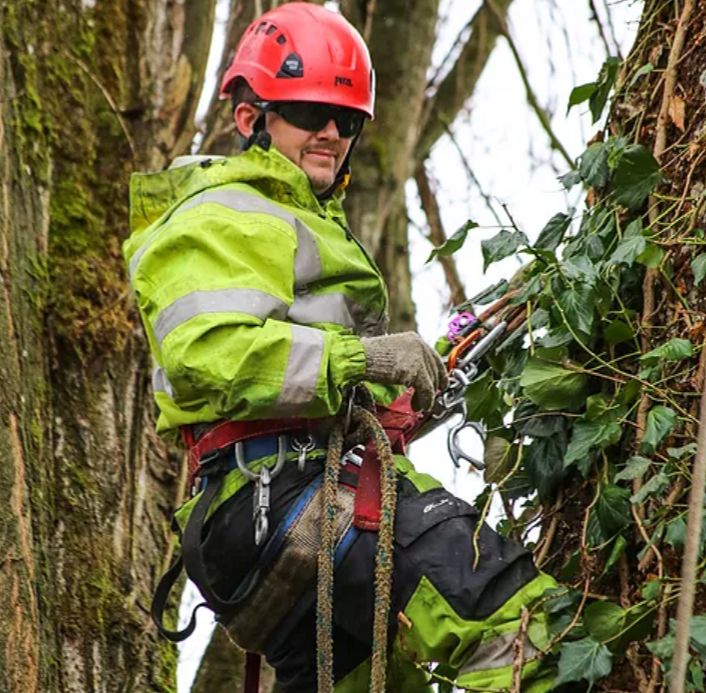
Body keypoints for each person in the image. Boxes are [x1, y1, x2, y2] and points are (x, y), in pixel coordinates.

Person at [124, 3, 556, 691]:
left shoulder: (308, 227)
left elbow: (312, 373)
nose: (330, 132)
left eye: (346, 120)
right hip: (278, 495)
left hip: (296, 503)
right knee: (517, 624)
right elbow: (208, 351)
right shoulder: (215, 214)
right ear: (250, 117)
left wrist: (406, 383)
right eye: (307, 112)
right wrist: (366, 359)